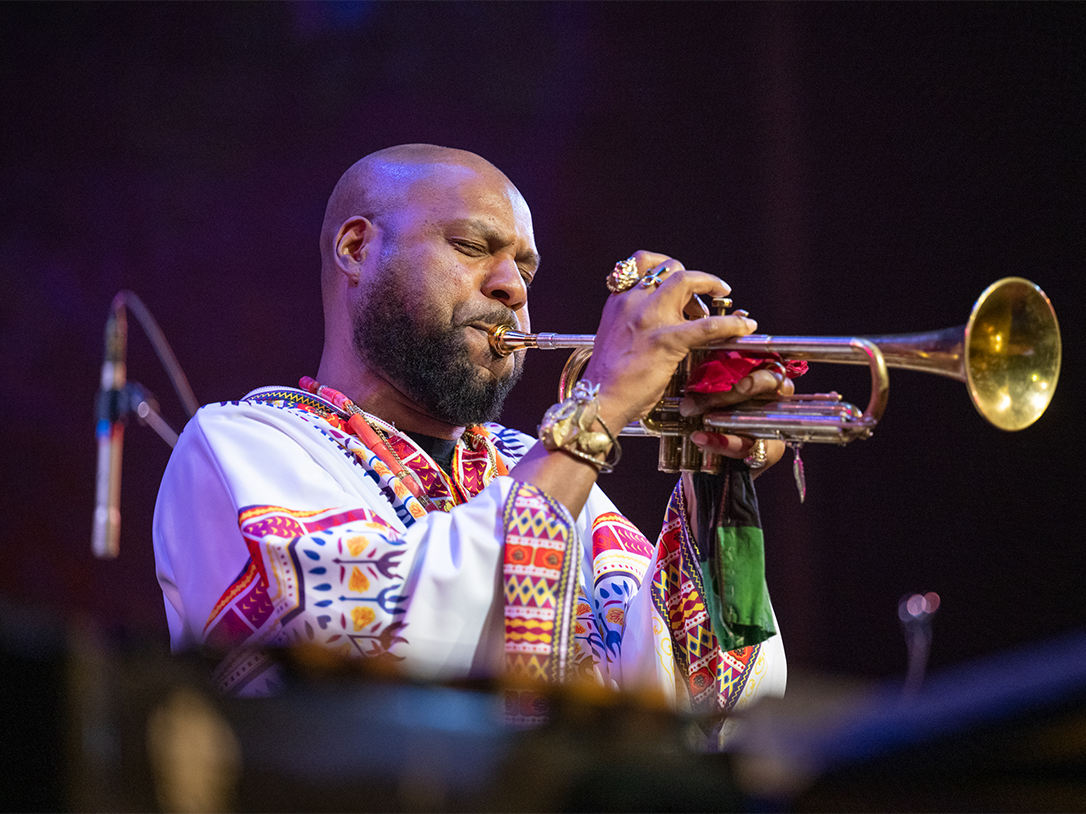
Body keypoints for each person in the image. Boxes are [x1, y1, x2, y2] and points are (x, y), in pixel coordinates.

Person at [153, 144, 792, 732]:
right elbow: (361, 647)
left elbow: (697, 701)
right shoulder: (241, 443)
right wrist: (600, 404)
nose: (512, 288)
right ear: (356, 249)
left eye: (525, 270)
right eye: (470, 246)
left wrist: (716, 486)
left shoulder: (532, 464)